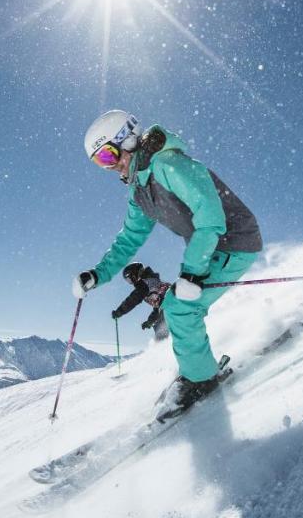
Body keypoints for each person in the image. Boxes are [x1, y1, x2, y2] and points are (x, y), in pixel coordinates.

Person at [73, 110, 262, 419]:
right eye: (100, 163)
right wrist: (98, 274)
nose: (110, 167)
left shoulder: (168, 165)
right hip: (211, 248)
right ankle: (197, 370)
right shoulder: (139, 190)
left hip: (234, 241)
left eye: (108, 155)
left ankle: (201, 379)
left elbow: (210, 215)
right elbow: (129, 239)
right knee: (177, 308)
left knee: (178, 307)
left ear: (128, 139)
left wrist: (192, 272)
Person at [112, 262, 171, 340]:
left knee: (161, 330)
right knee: (161, 327)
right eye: (128, 280)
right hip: (174, 306)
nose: (131, 282)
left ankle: (163, 347)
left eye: (130, 278)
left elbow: (133, 299)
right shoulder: (151, 282)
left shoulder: (145, 283)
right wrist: (150, 322)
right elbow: (157, 308)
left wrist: (120, 311)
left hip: (172, 306)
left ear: (135, 274)